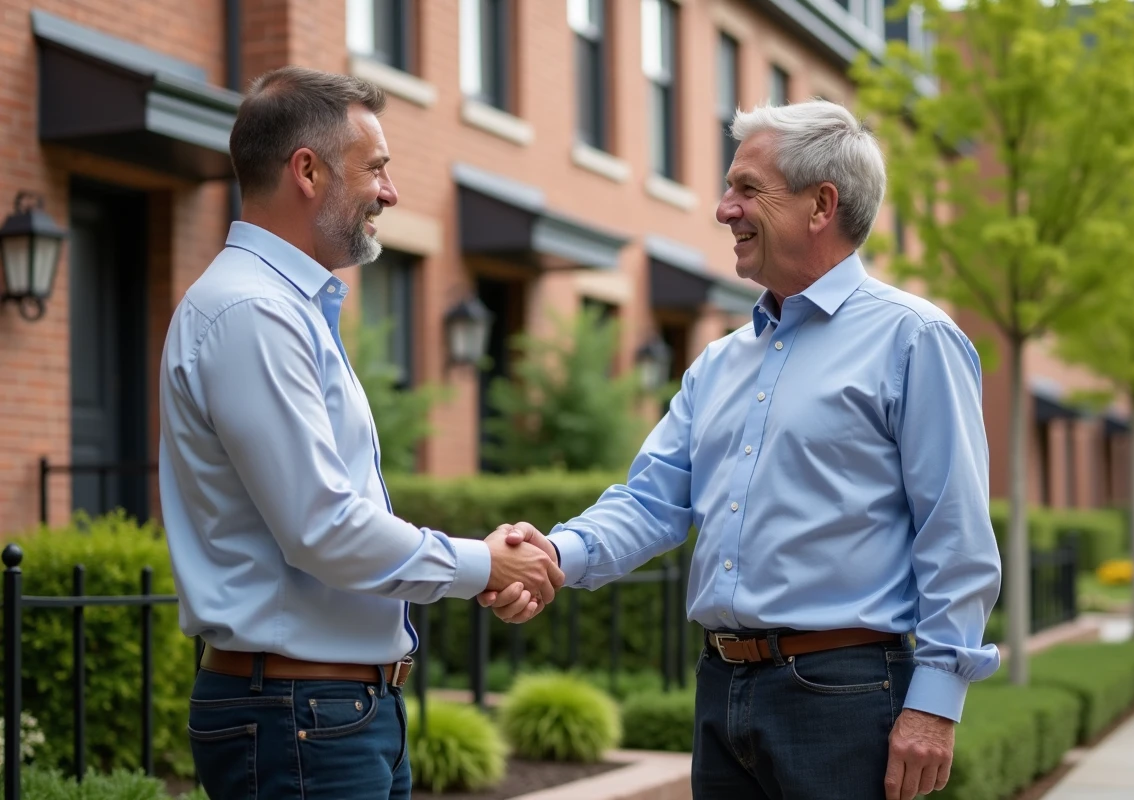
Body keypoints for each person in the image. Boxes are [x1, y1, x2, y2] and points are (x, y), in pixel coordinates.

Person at [481, 100, 1002, 800]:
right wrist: (552, 557)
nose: (724, 209)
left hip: (844, 695)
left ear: (822, 205)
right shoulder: (719, 363)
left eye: (747, 188)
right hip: (722, 689)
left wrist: (937, 700)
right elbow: (651, 501)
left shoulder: (915, 340)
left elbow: (956, 534)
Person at [157, 66, 560, 800]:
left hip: (326, 713)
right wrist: (481, 565)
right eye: (375, 167)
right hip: (300, 717)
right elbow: (324, 527)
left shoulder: (285, 308)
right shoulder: (253, 313)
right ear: (306, 170)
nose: (390, 191)